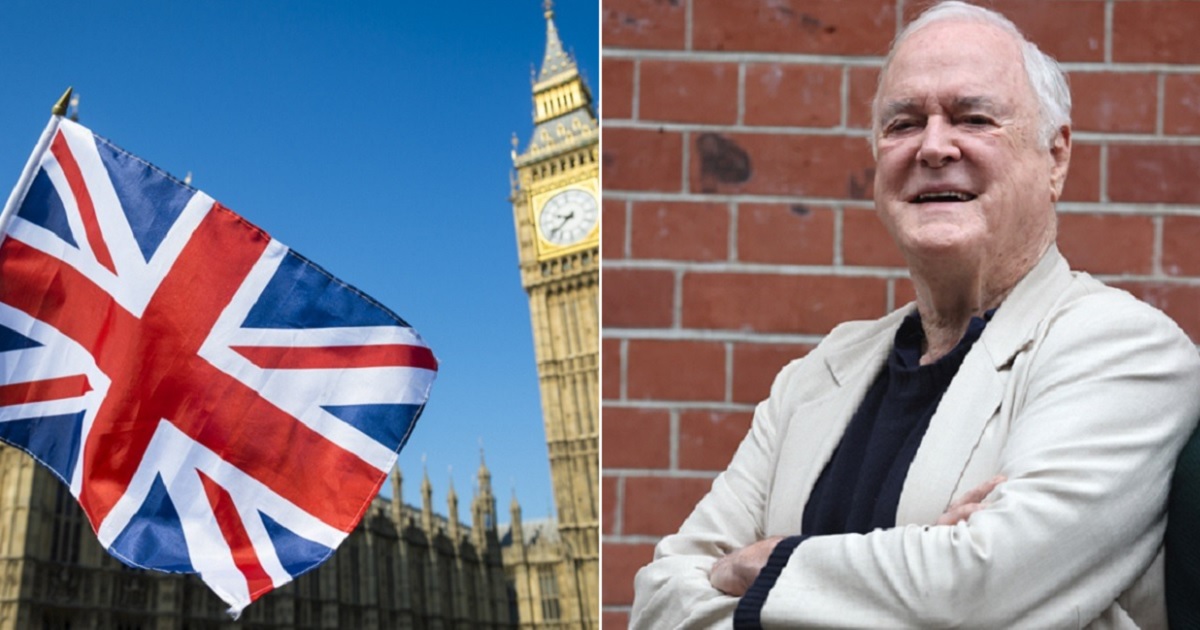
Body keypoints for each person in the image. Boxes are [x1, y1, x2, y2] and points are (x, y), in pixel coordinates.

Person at [629, 2, 1200, 628]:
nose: (932, 146)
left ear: (1055, 157)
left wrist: (761, 566)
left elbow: (981, 589)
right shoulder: (817, 376)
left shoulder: (1123, 348)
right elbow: (660, 599)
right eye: (903, 123)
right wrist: (916, 566)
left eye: (973, 117)